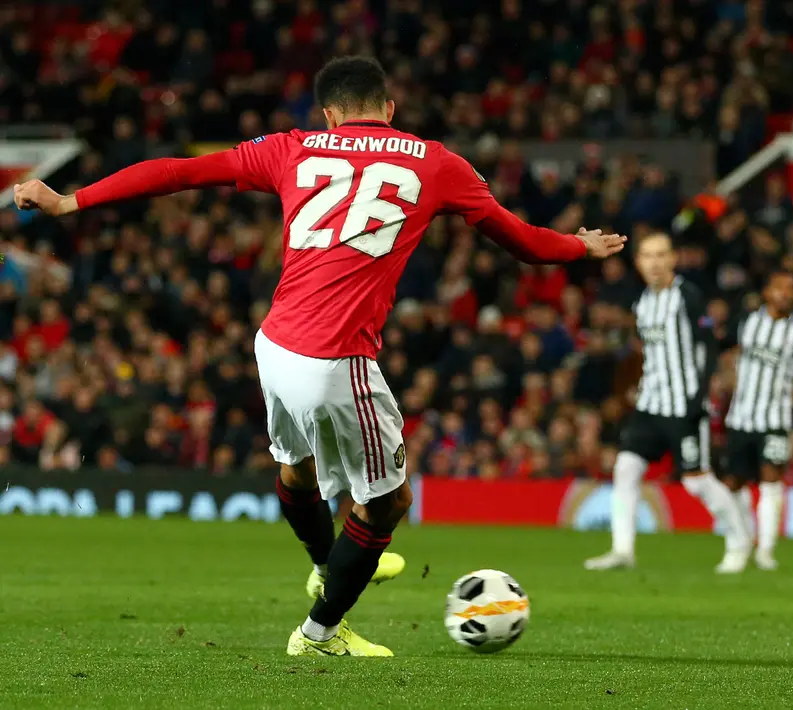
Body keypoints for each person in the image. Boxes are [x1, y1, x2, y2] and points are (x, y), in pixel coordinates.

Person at [14, 55, 626, 654]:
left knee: (297, 470)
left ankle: (321, 566)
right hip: (338, 357)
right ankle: (319, 635)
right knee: (389, 503)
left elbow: (178, 171)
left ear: (330, 114)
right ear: (390, 108)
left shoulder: (293, 147)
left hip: (274, 344)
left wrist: (71, 201)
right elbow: (522, 243)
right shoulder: (438, 162)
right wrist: (580, 247)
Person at [584, 233, 752, 573]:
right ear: (639, 263)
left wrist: (698, 396)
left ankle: (739, 541)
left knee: (696, 481)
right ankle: (622, 550)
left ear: (673, 259)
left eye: (662, 255)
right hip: (650, 404)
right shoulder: (643, 301)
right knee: (626, 468)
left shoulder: (688, 297)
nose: (656, 262)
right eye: (648, 256)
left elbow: (707, 348)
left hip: (684, 405)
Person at [722, 269, 793, 571]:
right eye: (780, 287)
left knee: (771, 481)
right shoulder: (747, 322)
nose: (786, 293)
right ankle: (742, 540)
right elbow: (726, 350)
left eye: (791, 288)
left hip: (774, 419)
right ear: (767, 292)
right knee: (733, 483)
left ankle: (766, 550)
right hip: (740, 417)